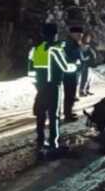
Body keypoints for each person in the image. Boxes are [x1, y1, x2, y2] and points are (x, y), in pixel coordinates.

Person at [28, 23, 77, 153]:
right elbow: (65, 67)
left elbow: (31, 72)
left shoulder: (36, 49)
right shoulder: (55, 49)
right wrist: (75, 65)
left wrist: (37, 85)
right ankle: (53, 143)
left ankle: (40, 139)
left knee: (40, 113)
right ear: (55, 34)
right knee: (54, 115)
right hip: (53, 86)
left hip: (40, 87)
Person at [63, 25, 83, 122]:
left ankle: (69, 112)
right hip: (69, 72)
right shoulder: (69, 43)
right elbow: (68, 56)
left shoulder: (74, 42)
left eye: (81, 34)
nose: (80, 36)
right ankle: (67, 114)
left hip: (73, 71)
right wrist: (75, 61)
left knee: (71, 94)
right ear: (72, 34)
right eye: (78, 34)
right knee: (69, 94)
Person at [79, 32, 97, 96]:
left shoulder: (89, 45)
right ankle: (81, 91)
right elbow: (81, 53)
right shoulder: (82, 44)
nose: (88, 39)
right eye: (87, 37)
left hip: (89, 63)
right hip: (84, 63)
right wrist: (84, 58)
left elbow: (93, 53)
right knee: (85, 77)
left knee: (90, 78)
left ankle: (87, 89)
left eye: (89, 38)